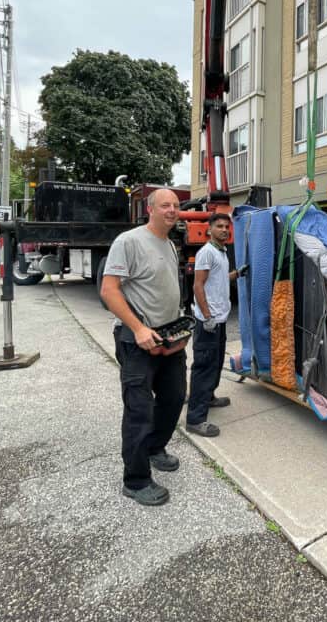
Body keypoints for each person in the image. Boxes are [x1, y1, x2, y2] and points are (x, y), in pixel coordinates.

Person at [100, 189, 186, 507]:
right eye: (165, 205)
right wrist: (138, 328)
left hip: (168, 337)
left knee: (174, 397)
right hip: (136, 340)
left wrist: (180, 327)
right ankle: (135, 480)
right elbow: (109, 291)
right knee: (139, 410)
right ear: (150, 209)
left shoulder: (170, 244)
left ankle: (154, 448)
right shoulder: (129, 241)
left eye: (176, 205)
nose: (172, 210)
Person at [186, 212, 245, 437]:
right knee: (203, 367)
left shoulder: (221, 252)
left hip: (219, 319)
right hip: (208, 321)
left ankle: (208, 397)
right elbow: (198, 286)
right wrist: (208, 316)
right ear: (209, 229)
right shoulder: (206, 253)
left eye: (226, 227)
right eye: (219, 226)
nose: (224, 230)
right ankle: (195, 419)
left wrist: (237, 274)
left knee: (216, 362)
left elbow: (218, 279)